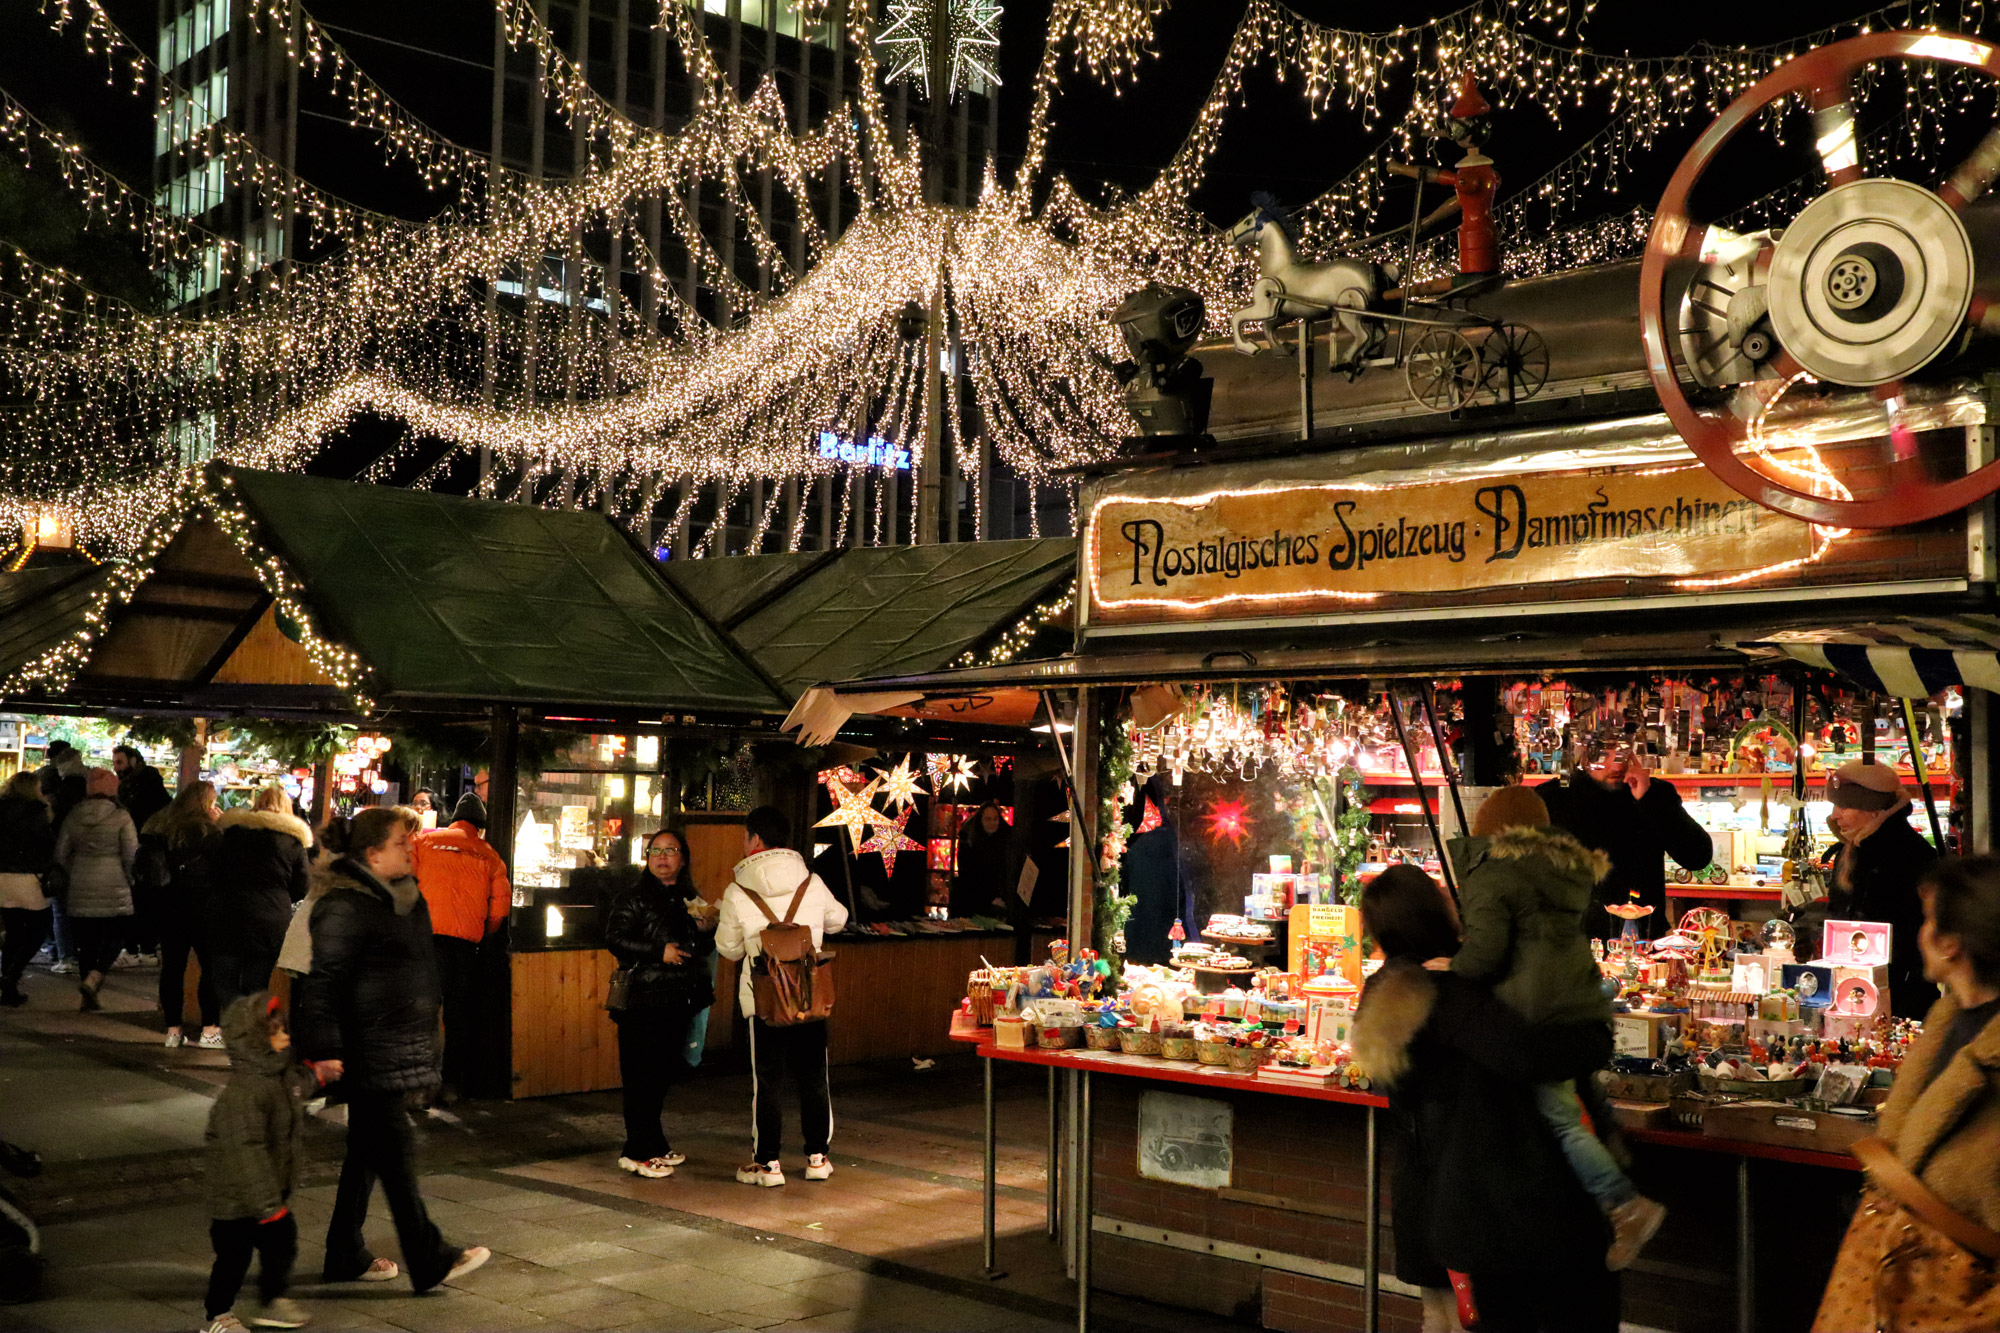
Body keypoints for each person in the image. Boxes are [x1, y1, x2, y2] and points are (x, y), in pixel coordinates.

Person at [1352, 865, 1619, 1332]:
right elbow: (1525, 1056)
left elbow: (1387, 1079)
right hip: (1475, 1189)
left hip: (1424, 1181)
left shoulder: (1388, 988)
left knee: (1438, 1314)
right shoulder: (1455, 985)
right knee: (1472, 1318)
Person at [1446, 785, 1666, 1270]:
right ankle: (1612, 1147)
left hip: (1535, 1016)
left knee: (1561, 1118)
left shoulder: (1494, 873)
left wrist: (1447, 970)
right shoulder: (1564, 871)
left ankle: (1625, 1205)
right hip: (1578, 1005)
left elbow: (1484, 955)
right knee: (1582, 1093)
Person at [291, 807, 488, 1293]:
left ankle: (344, 1252)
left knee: (367, 1151)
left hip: (394, 1039)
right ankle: (429, 1256)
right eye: (403, 842)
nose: (412, 848)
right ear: (373, 854)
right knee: (394, 1150)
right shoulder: (345, 905)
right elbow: (323, 984)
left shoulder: (402, 897)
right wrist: (326, 1047)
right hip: (367, 1045)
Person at [1813, 855, 2000, 1331]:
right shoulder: (1950, 1021)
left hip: (1962, 1305)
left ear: (1953, 942)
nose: (1920, 934)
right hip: (1891, 1290)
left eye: (1929, 921)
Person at [716, 805, 848, 1188]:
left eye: (745, 836)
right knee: (814, 1078)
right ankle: (817, 1158)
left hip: (765, 1002)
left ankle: (768, 1163)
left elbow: (728, 949)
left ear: (755, 839)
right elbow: (839, 919)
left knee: (768, 1081)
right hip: (809, 998)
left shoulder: (738, 889)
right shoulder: (812, 882)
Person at [201, 991, 330, 1333]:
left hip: (265, 1197)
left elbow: (298, 1085)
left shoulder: (277, 1077)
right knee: (234, 1258)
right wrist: (268, 1206)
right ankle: (218, 1315)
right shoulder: (243, 1095)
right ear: (255, 1039)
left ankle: (272, 1299)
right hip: (237, 1200)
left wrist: (318, 1073)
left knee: (282, 1243)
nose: (286, 1036)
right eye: (276, 1031)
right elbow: (246, 1154)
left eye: (284, 1029)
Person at [603, 828, 716, 1178]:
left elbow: (702, 950)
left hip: (678, 998)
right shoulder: (633, 896)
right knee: (641, 1076)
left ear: (683, 858)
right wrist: (658, 951)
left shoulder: (689, 897)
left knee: (663, 1074)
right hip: (642, 999)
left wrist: (706, 929)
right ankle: (635, 1150)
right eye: (655, 851)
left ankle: (654, 1140)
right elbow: (615, 939)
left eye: (671, 850)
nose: (663, 857)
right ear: (647, 858)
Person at [1537, 745, 1711, 938]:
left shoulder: (1655, 794)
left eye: (1624, 751)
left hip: (1642, 942)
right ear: (1585, 754)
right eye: (1604, 752)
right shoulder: (1552, 797)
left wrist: (1648, 798)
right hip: (1570, 940)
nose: (1617, 764)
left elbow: (1698, 856)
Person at [409, 792, 511, 1101]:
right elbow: (499, 909)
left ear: (454, 819)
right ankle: (450, 1083)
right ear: (480, 827)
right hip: (465, 945)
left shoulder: (425, 842)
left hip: (427, 939)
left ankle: (419, 1086)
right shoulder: (489, 854)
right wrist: (482, 932)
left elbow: (406, 883)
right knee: (457, 1015)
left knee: (423, 1011)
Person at [1824, 758, 1939, 1019]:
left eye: (1844, 805)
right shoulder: (1850, 851)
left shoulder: (1913, 855)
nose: (1834, 815)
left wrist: (1909, 1002)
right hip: (1850, 992)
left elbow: (1922, 936)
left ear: (1873, 809)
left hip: (1901, 1001)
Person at [210, 786, 313, 1006]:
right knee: (257, 982)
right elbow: (302, 887)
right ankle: (252, 1030)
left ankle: (234, 1023)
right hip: (271, 918)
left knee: (224, 976)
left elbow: (215, 872)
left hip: (230, 911)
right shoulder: (293, 841)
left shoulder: (233, 834)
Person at [144, 780, 225, 1049]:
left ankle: (173, 1030)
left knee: (172, 967)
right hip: (204, 905)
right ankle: (210, 1029)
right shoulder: (209, 830)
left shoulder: (160, 825)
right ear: (207, 802)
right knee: (210, 967)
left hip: (168, 904)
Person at [52, 768, 136, 1012]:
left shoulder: (73, 815)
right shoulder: (122, 817)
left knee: (86, 943)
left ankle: (87, 990)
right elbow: (131, 854)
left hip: (80, 883)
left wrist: (75, 870)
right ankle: (95, 976)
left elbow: (61, 854)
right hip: (114, 883)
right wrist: (131, 879)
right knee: (118, 934)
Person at [0, 772, 55, 1007]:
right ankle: (12, 974)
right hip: (30, 875)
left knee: (13, 932)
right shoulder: (37, 811)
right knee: (39, 928)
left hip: (3, 875)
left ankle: (8, 987)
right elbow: (45, 843)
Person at [36, 740, 85, 972]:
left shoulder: (57, 790)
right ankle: (71, 952)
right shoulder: (90, 791)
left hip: (59, 855)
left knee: (58, 906)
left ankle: (60, 951)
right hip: (85, 859)